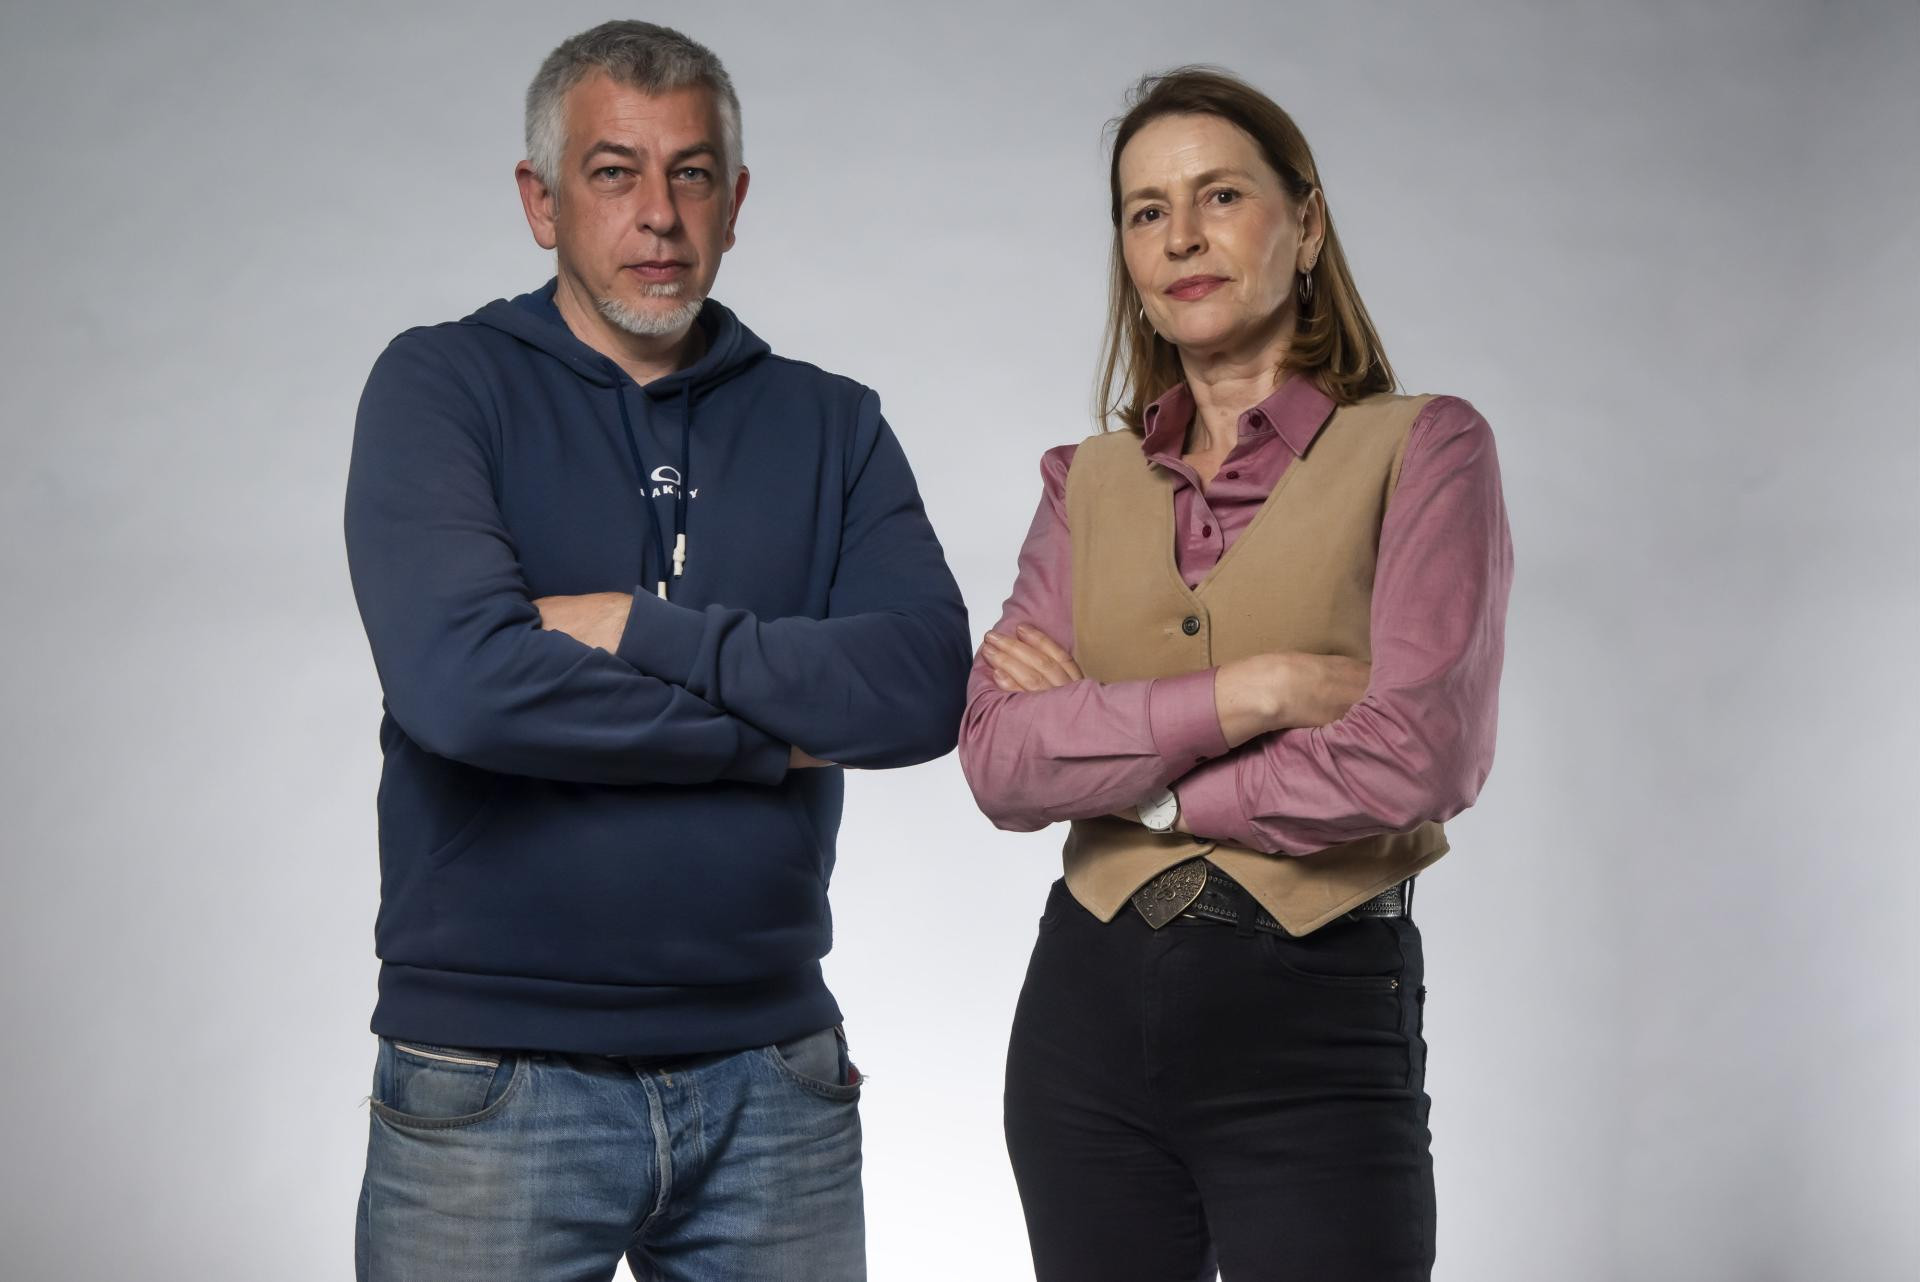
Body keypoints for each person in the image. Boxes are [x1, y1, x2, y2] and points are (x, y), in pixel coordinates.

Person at [343, 21, 968, 1282]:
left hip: (773, 1078)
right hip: (492, 1075)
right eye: (614, 172)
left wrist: (638, 627)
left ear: (734, 201)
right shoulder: (441, 387)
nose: (659, 215)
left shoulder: (833, 424)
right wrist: (776, 738)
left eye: (691, 174)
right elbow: (465, 689)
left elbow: (922, 688)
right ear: (542, 200)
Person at [960, 66, 1513, 1280]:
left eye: (1219, 195)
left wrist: (1141, 781)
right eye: (1145, 211)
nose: (1181, 237)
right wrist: (1252, 695)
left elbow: (1417, 756)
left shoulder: (1423, 449)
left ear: (1305, 225)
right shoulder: (1085, 482)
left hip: (1314, 1021)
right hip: (1083, 1020)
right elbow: (1000, 760)